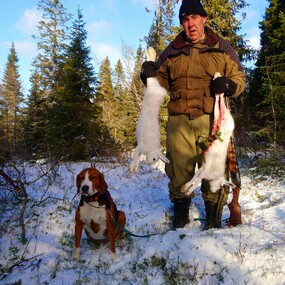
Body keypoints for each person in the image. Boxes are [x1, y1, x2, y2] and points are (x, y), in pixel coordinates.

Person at [140, 0, 246, 229]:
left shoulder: (221, 46)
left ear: (204, 19)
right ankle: (180, 219)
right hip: (179, 122)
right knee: (179, 172)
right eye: (185, 20)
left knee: (214, 170)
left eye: (194, 18)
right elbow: (160, 85)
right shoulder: (172, 50)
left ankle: (213, 220)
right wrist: (148, 74)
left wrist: (228, 85)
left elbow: (240, 79)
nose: (190, 24)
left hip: (213, 120)